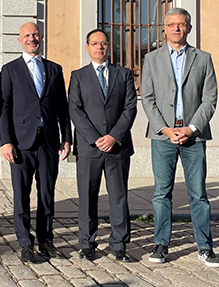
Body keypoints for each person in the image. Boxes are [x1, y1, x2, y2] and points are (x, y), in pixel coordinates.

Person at [140, 7, 219, 268]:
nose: (176, 28)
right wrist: (164, 129)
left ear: (189, 28)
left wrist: (192, 128)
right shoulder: (151, 59)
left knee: (198, 194)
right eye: (172, 24)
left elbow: (210, 99)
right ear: (164, 29)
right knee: (161, 193)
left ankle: (205, 247)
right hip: (163, 137)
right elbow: (148, 99)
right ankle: (161, 244)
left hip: (193, 138)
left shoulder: (203, 59)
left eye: (181, 24)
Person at [0, 22, 72, 263]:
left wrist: (67, 138)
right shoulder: (10, 70)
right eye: (27, 35)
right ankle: (25, 242)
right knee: (22, 195)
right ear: (19, 40)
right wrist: (6, 141)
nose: (32, 38)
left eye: (36, 34)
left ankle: (46, 240)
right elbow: (4, 109)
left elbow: (62, 108)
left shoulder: (54, 69)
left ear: (42, 37)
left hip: (49, 141)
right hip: (21, 143)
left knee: (47, 194)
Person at [68, 29, 137, 262]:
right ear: (87, 47)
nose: (100, 47)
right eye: (95, 43)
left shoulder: (123, 74)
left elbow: (130, 107)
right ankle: (87, 244)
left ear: (109, 46)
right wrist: (95, 138)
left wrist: (113, 136)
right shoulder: (78, 76)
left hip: (117, 147)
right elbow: (75, 109)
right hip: (89, 148)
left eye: (104, 43)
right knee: (88, 197)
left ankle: (119, 244)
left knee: (119, 197)